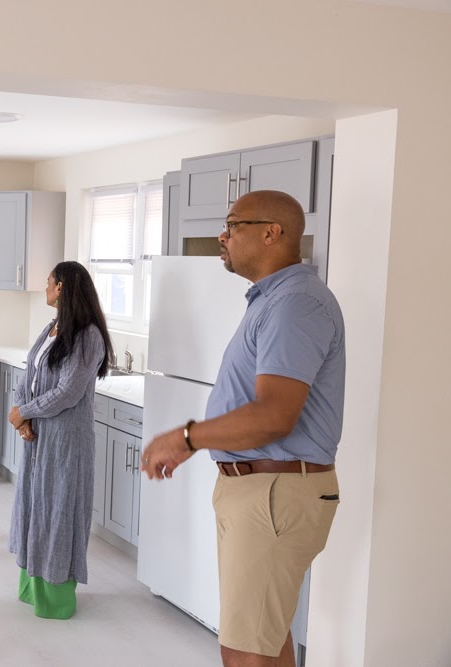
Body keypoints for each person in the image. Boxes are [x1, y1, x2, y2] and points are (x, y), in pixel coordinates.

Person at [141, 190, 345, 667]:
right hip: (264, 488)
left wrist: (187, 437)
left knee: (244, 652)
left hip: (274, 492)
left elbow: (274, 415)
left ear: (272, 233)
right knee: (265, 639)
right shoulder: (273, 300)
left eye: (233, 225)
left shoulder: (295, 304)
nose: (223, 235)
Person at [6, 261, 113, 620]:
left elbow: (68, 392)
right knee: (35, 506)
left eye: (49, 281)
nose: (45, 287)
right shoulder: (52, 328)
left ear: (63, 287)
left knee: (59, 511)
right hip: (38, 436)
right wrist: (23, 415)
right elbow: (29, 372)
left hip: (66, 440)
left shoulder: (88, 336)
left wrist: (25, 412)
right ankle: (32, 586)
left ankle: (56, 598)